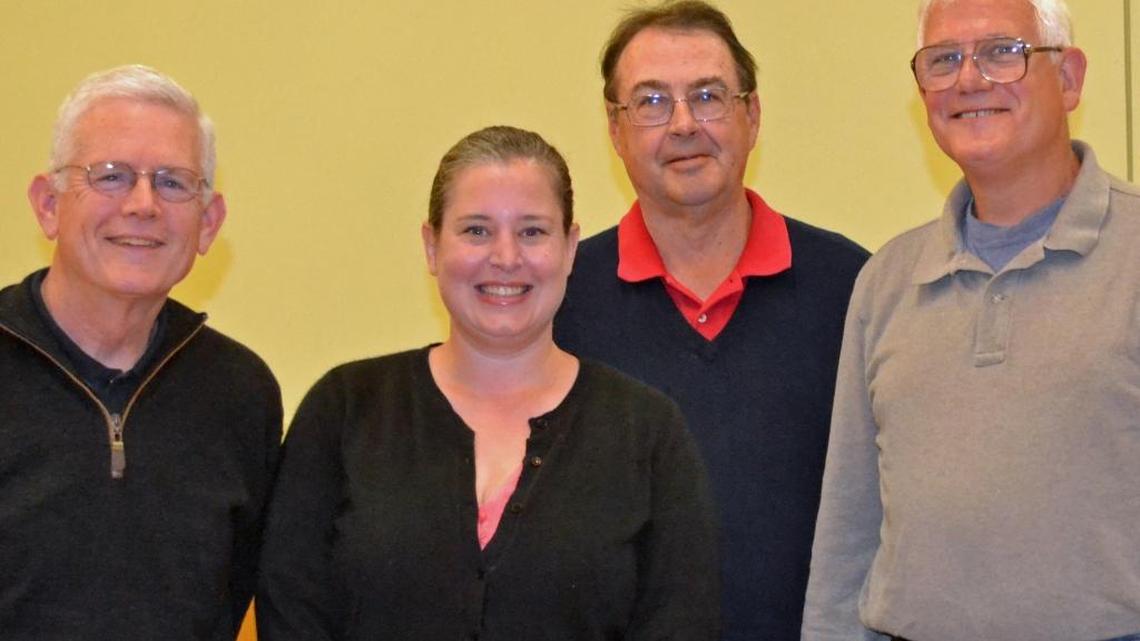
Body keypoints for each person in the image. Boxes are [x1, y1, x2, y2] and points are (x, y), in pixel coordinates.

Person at [256, 125, 719, 640]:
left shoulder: (646, 431)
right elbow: (290, 610)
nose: (505, 257)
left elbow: (682, 621)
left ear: (570, 248)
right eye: (476, 230)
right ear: (432, 247)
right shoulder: (344, 411)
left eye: (532, 231)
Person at [801, 0, 1140, 639]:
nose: (968, 79)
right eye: (943, 60)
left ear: (1068, 78)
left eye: (1001, 53)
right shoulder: (887, 280)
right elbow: (850, 526)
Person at [552, 2, 868, 638]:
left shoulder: (856, 288)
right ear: (614, 130)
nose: (684, 124)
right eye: (650, 101)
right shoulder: (559, 302)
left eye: (707, 95)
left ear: (752, 115)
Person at [0, 65, 282, 639]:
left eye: (173, 182)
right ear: (48, 204)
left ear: (208, 224)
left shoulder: (241, 392)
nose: (143, 204)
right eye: (111, 176)